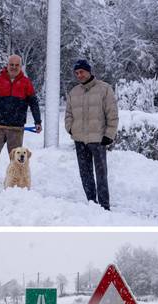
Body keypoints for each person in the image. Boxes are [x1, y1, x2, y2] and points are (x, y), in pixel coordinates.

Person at [0, 54, 42, 185]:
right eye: (11, 65)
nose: (13, 67)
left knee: (17, 159)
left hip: (16, 128)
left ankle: (16, 186)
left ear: (21, 66)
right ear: (7, 65)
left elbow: (34, 103)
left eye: (16, 65)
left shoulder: (26, 83)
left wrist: (38, 122)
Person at [65, 59, 119, 210]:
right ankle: (91, 203)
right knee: (85, 173)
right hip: (79, 139)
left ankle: (104, 206)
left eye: (81, 72)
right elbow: (68, 114)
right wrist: (71, 129)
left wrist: (109, 134)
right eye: (77, 73)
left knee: (101, 175)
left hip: (98, 139)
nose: (79, 75)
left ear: (89, 71)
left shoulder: (104, 89)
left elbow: (112, 114)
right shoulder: (74, 92)